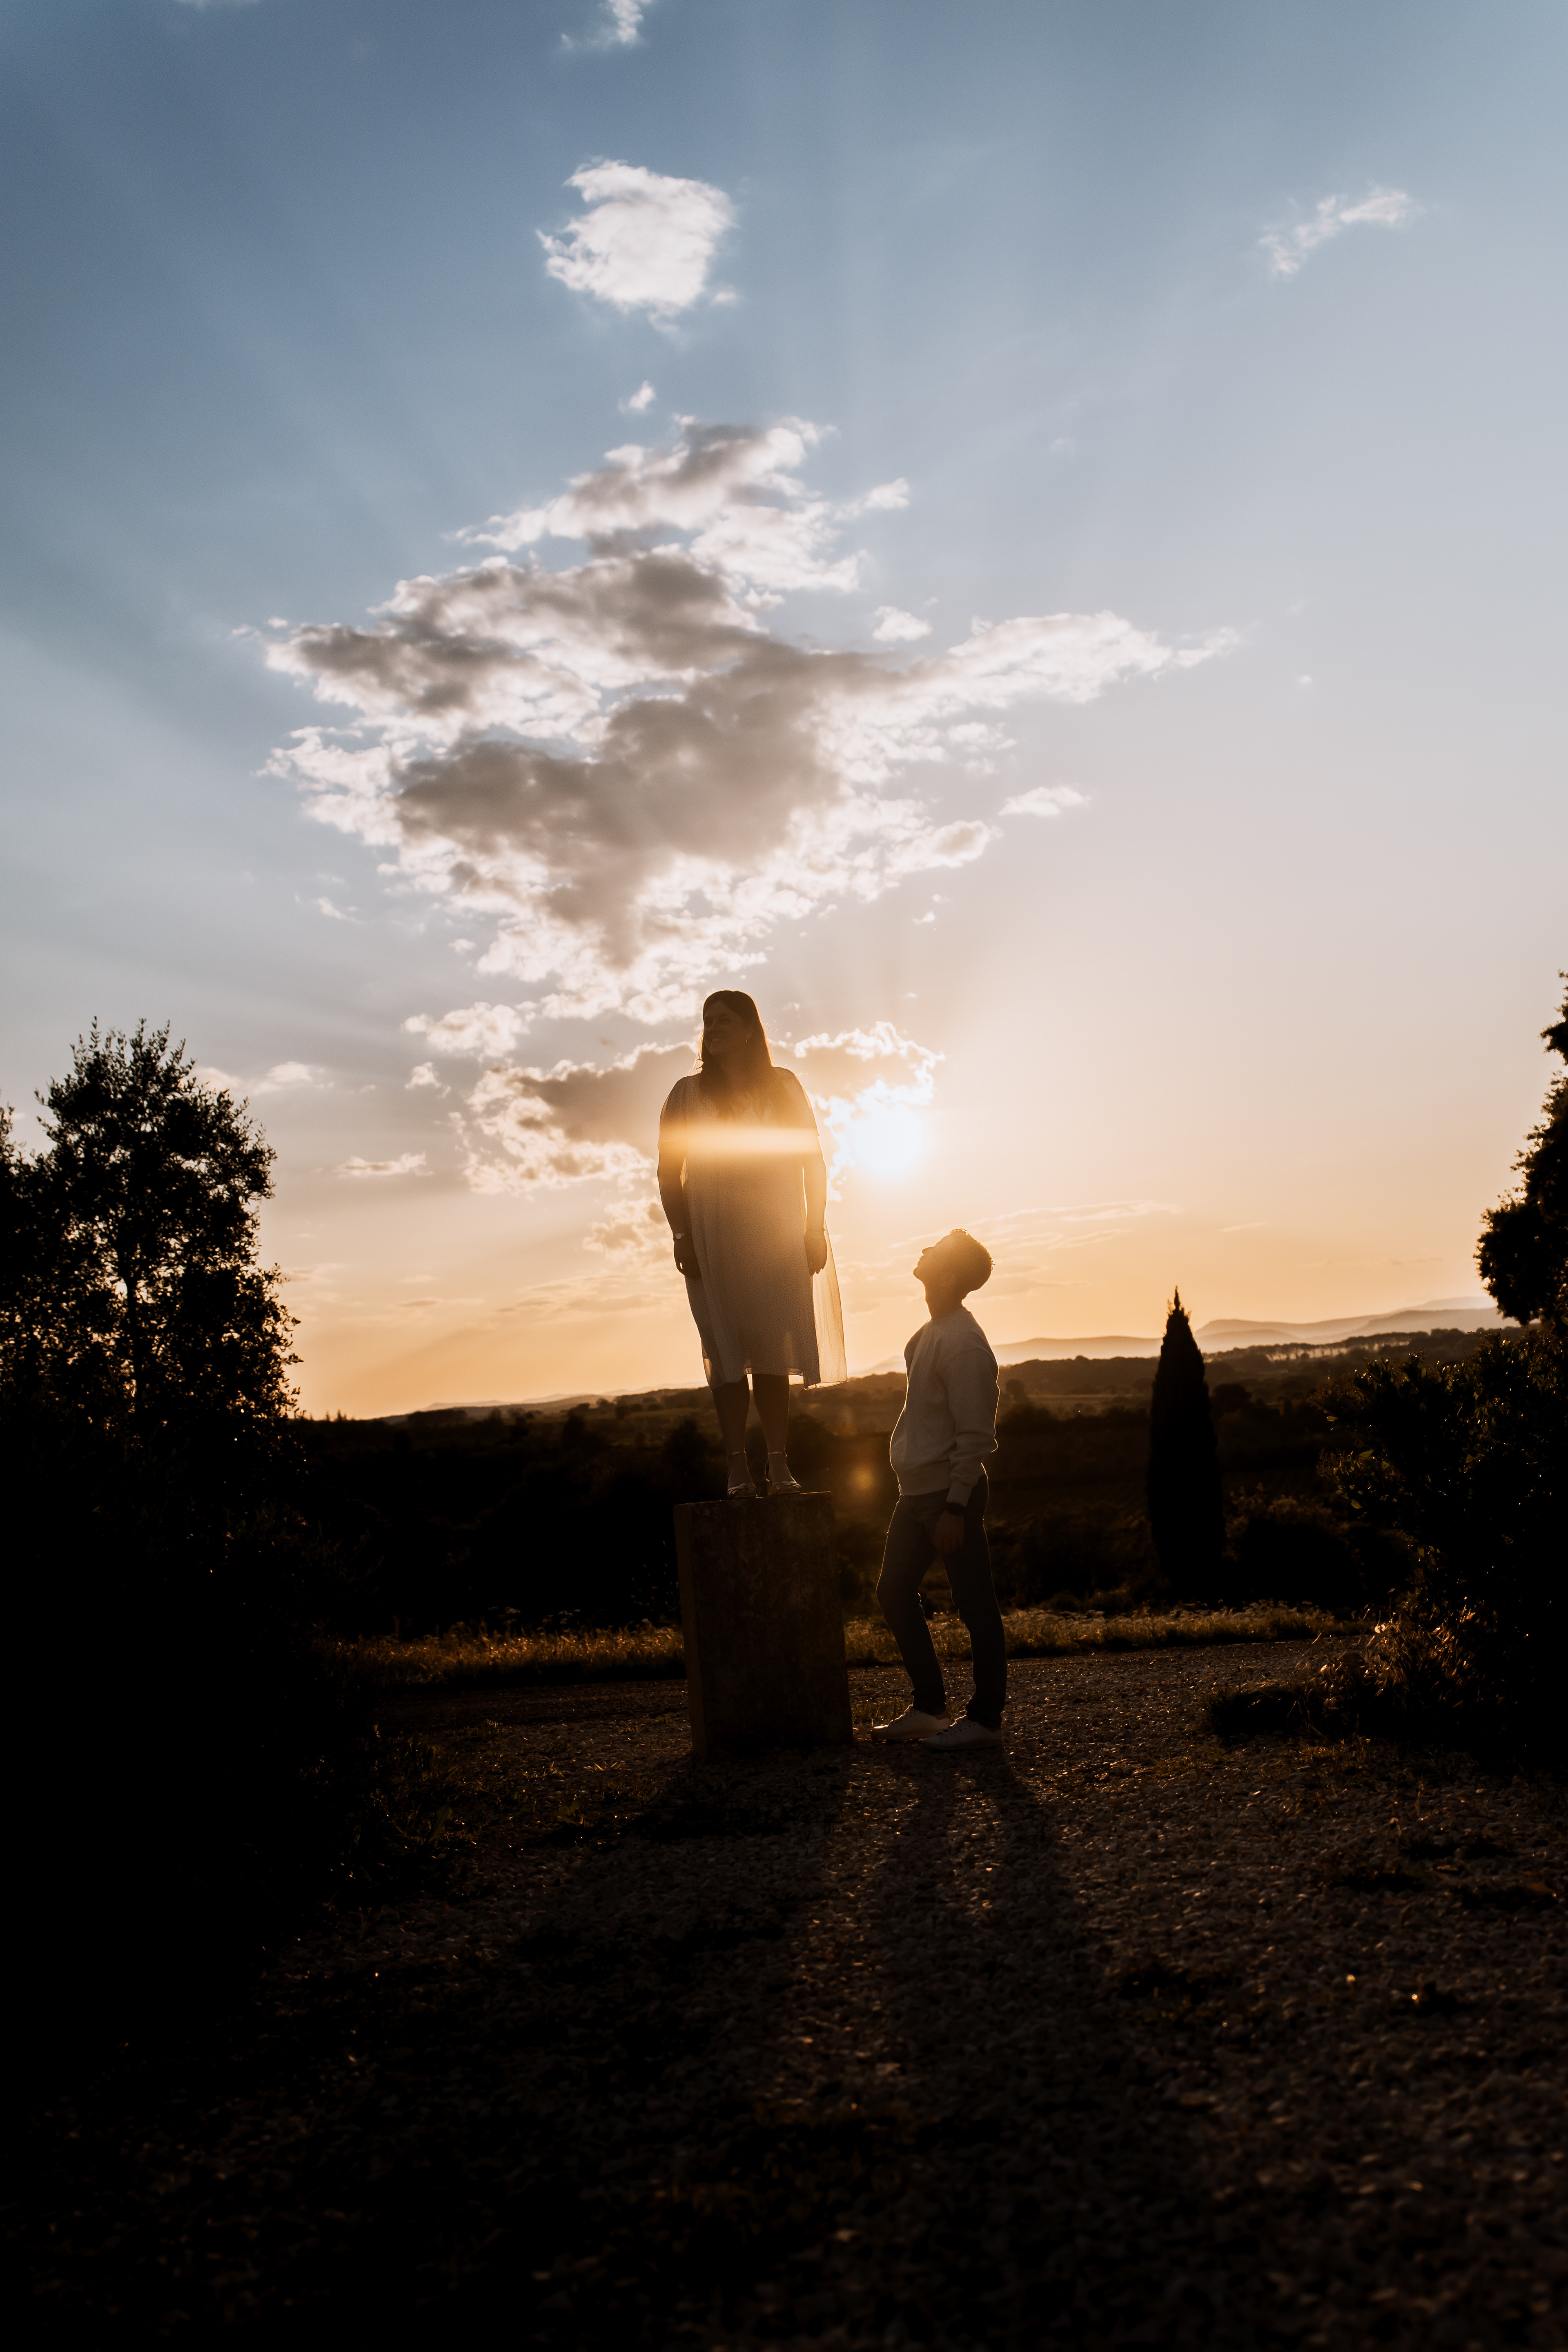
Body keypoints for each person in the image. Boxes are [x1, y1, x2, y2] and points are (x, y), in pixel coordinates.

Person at [657, 991, 847, 1498]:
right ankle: (738, 1468)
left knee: (772, 1349)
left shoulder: (784, 1087)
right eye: (707, 1021)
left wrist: (814, 1227)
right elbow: (668, 1174)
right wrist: (681, 1235)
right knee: (724, 1351)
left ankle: (780, 1467)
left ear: (749, 1029)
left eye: (724, 1019)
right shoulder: (685, 1094)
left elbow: (813, 1160)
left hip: (777, 1236)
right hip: (712, 1236)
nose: (712, 1027)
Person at [871, 1229, 1006, 1751]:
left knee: (975, 1607)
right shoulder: (927, 1336)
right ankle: (930, 1708)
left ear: (947, 1276)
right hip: (917, 1495)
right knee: (893, 1592)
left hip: (948, 1497)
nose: (922, 1251)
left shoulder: (965, 1345)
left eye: (936, 1251)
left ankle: (985, 1720)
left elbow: (977, 1435)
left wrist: (955, 1505)